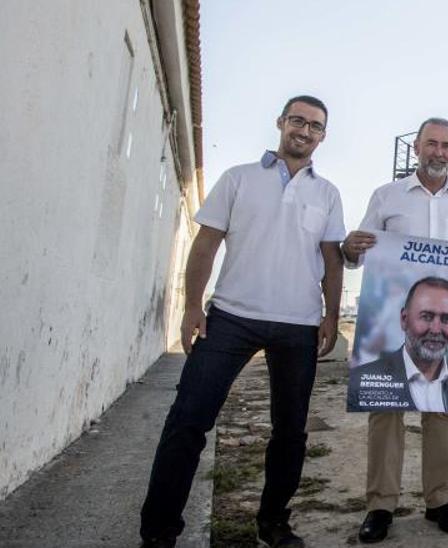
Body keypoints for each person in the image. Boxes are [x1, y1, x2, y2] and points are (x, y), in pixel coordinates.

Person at [139, 96, 344, 548]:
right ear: (281, 123)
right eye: (298, 121)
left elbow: (332, 259)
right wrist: (193, 306)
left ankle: (273, 522)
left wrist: (331, 314)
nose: (304, 131)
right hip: (231, 317)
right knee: (187, 421)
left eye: (314, 126)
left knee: (290, 431)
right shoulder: (240, 179)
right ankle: (158, 533)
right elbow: (206, 244)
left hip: (298, 324)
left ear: (323, 136)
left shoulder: (327, 194)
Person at [342, 117, 448, 541]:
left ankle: (440, 500)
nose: (439, 152)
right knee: (386, 412)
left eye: (447, 146)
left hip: (440, 326)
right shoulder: (386, 195)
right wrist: (350, 247)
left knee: (441, 411)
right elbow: (357, 255)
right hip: (392, 323)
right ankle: (380, 505)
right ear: (416, 148)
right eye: (432, 144)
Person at [346, 277, 448, 412]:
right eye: (426, 317)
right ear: (404, 319)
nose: (436, 330)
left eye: (447, 319)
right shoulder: (361, 383)